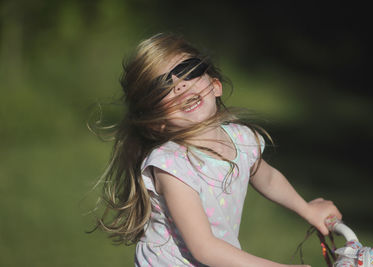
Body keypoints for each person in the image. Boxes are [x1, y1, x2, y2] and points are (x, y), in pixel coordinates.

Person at [91, 32, 342, 266]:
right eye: (162, 87)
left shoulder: (241, 139)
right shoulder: (171, 165)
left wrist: (307, 209)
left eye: (188, 70)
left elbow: (266, 177)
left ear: (215, 85)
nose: (180, 85)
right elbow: (204, 248)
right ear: (157, 122)